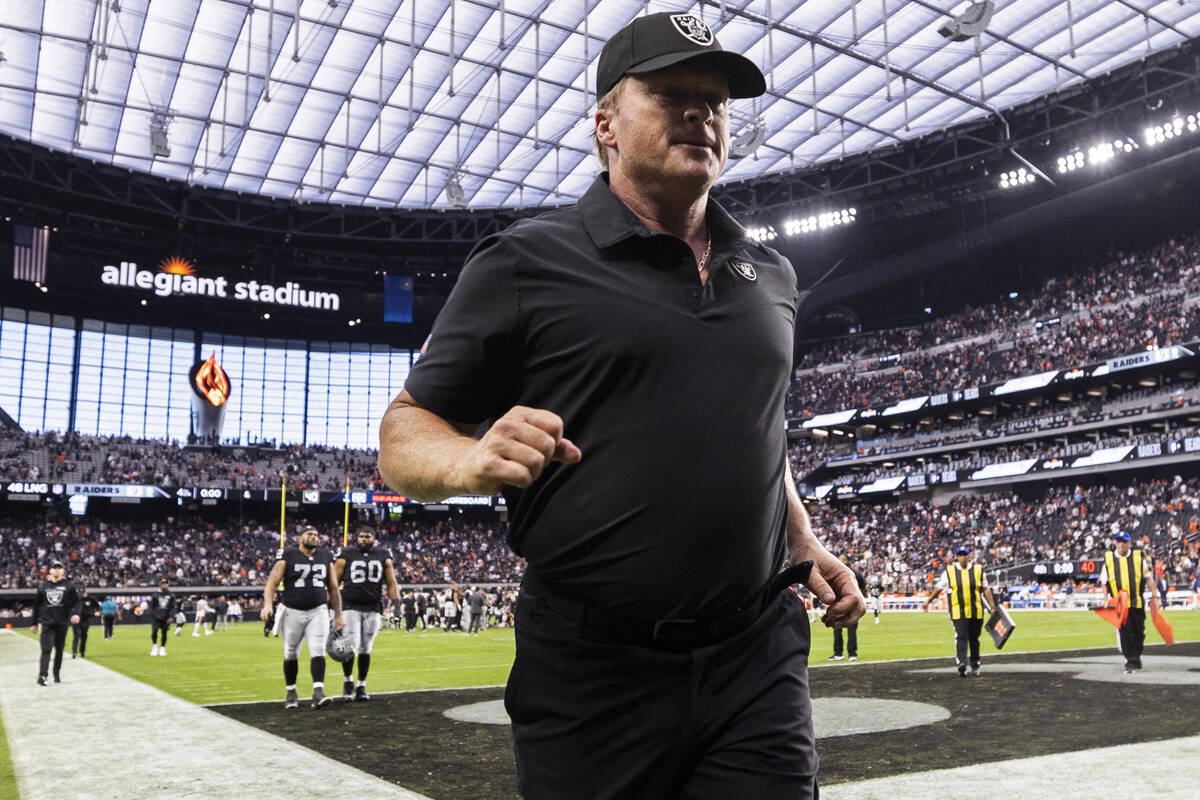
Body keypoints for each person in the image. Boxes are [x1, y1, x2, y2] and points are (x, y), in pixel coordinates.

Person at [376, 11, 863, 797]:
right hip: (594, 670)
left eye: (715, 100)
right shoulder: (527, 261)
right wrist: (467, 459)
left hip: (756, 656)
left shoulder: (770, 274)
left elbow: (755, 428)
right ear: (605, 123)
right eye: (671, 94)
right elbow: (402, 431)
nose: (700, 112)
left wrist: (801, 542)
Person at [261, 527, 345, 709]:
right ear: (300, 538)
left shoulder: (325, 555)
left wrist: (338, 614)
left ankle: (318, 692)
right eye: (310, 534)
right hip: (292, 610)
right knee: (291, 653)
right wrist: (268, 604)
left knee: (318, 650)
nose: (314, 537)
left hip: (318, 610)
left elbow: (333, 587)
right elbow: (271, 583)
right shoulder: (288, 555)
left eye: (316, 535)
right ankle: (291, 692)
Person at [333, 526, 399, 702]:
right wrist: (329, 605)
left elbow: (391, 582)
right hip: (349, 605)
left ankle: (361, 685)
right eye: (361, 536)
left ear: (374, 538)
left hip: (372, 606)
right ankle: (348, 681)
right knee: (348, 645)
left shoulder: (383, 554)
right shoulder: (346, 553)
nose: (363, 539)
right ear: (357, 537)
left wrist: (397, 604)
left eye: (367, 536)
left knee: (365, 648)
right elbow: (333, 581)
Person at [922, 545, 996, 677]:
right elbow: (938, 588)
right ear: (956, 557)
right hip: (958, 610)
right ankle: (961, 663)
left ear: (969, 556)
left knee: (974, 638)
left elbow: (985, 589)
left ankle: (975, 664)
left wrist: (992, 607)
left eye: (964, 554)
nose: (962, 557)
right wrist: (928, 601)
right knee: (961, 635)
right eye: (960, 555)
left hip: (976, 609)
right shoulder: (949, 572)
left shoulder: (978, 570)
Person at [1097, 530, 1153, 673]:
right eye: (1119, 541)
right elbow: (1104, 582)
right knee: (1125, 632)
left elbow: (1148, 577)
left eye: (1124, 542)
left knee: (1139, 633)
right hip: (1120, 605)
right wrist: (1105, 599)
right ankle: (1131, 661)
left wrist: (1155, 594)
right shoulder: (1108, 560)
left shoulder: (1138, 558)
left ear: (1129, 543)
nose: (1121, 545)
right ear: (1115, 543)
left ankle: (1136, 656)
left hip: (1137, 602)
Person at [31, 560, 81, 685]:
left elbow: (76, 602)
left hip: (62, 623)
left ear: (63, 571)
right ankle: (42, 676)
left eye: (59, 568)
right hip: (47, 623)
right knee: (46, 649)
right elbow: (36, 606)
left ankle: (56, 673)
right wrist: (34, 623)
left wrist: (75, 613)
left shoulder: (69, 586)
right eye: (55, 568)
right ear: (50, 570)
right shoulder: (43, 586)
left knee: (59, 650)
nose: (57, 570)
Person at [830, 561, 868, 662]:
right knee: (851, 629)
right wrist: (861, 599)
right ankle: (851, 654)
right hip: (851, 603)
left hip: (840, 603)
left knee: (838, 628)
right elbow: (863, 587)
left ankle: (839, 653)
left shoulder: (837, 572)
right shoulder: (857, 574)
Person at [145, 579, 177, 656]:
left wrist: (171, 617)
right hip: (156, 617)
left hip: (166, 617)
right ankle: (155, 646)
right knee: (154, 632)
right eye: (163, 584)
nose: (165, 585)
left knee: (164, 633)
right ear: (160, 585)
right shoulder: (155, 595)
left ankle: (162, 648)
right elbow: (151, 606)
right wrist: (152, 615)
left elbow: (172, 607)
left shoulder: (171, 595)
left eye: (166, 583)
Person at [71, 586, 101, 658]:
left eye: (81, 593)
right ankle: (74, 652)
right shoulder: (74, 599)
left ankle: (82, 652)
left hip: (85, 620)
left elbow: (98, 606)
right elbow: (68, 608)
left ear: (85, 592)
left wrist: (97, 612)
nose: (80, 594)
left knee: (84, 637)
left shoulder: (90, 599)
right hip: (76, 621)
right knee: (76, 636)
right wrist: (71, 616)